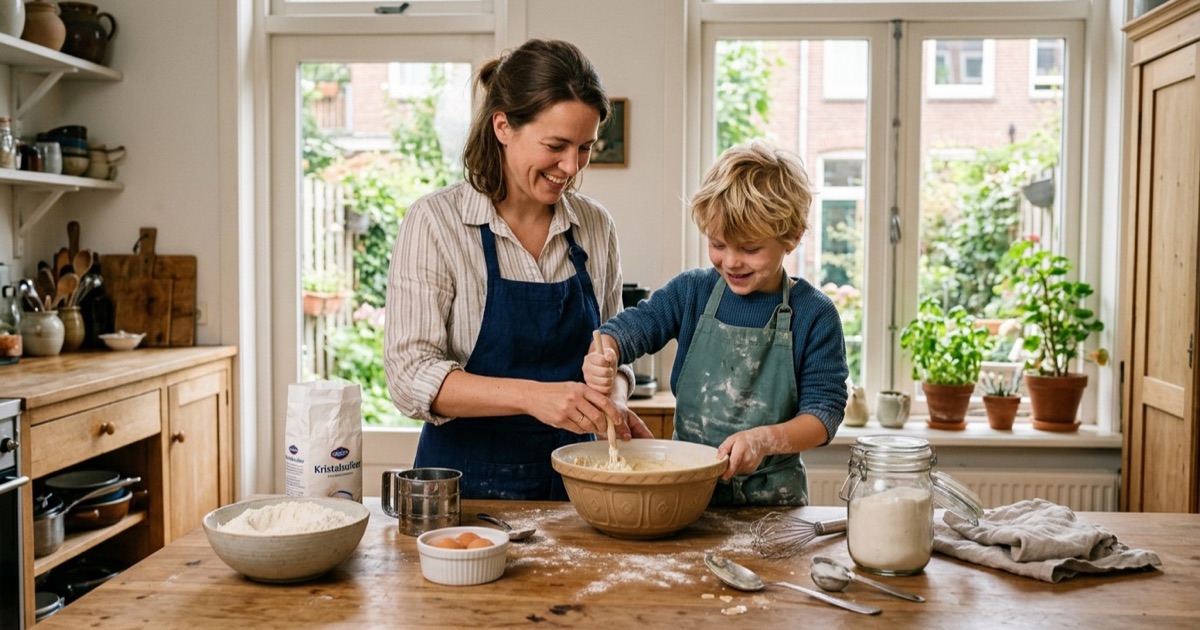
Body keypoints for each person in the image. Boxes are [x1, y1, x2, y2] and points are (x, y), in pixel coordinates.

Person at [384, 38, 651, 501]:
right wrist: (536, 397)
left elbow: (614, 350)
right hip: (462, 494)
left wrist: (615, 399)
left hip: (577, 489)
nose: (571, 167)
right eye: (556, 145)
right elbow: (411, 376)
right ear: (503, 126)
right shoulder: (436, 223)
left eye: (586, 147)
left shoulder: (594, 226)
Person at [584, 141, 849, 506]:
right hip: (687, 497)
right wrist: (605, 355)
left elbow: (824, 414)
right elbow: (625, 331)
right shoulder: (691, 292)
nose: (731, 261)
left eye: (750, 249)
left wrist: (762, 440)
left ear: (792, 237)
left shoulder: (814, 315)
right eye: (718, 244)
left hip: (774, 507)